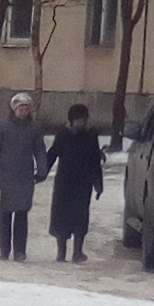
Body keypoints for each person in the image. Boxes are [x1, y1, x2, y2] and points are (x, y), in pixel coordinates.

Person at [0, 91, 43, 261]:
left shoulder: (34, 128)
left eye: (26, 109)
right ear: (13, 110)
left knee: (22, 214)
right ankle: (4, 250)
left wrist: (42, 169)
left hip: (25, 177)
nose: (23, 113)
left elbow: (39, 150)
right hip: (4, 176)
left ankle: (20, 251)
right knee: (5, 214)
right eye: (20, 109)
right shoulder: (2, 126)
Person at [46, 104, 105, 262]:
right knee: (61, 217)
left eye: (82, 120)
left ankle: (78, 252)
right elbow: (52, 154)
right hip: (64, 182)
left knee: (81, 216)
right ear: (71, 120)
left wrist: (98, 184)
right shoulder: (63, 134)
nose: (80, 123)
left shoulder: (91, 135)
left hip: (83, 183)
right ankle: (61, 252)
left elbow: (94, 160)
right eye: (77, 120)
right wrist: (42, 172)